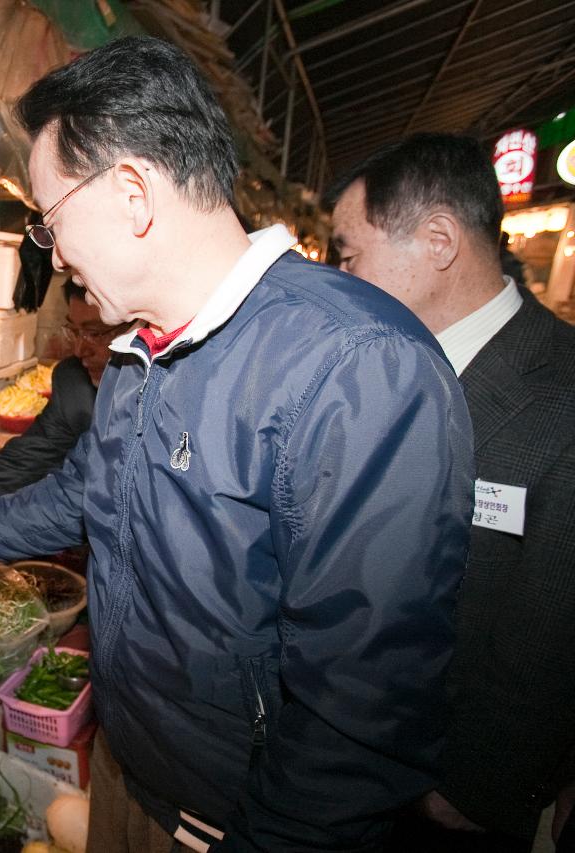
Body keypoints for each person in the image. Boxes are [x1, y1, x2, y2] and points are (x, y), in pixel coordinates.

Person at [0, 36, 475, 851]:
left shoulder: (358, 368)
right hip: (133, 768)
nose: (56, 253)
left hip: (233, 816)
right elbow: (84, 491)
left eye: (51, 222)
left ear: (133, 192)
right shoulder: (143, 348)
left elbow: (362, 710)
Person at [327, 133, 575, 853]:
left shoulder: (559, 393)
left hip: (449, 794)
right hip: (343, 757)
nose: (339, 279)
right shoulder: (378, 365)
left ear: (437, 241)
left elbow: (551, 629)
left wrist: (475, 785)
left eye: (349, 255)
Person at [0, 279, 116, 511]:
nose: (80, 349)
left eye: (94, 333)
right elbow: (23, 461)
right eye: (75, 332)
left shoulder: (167, 392)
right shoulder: (73, 382)